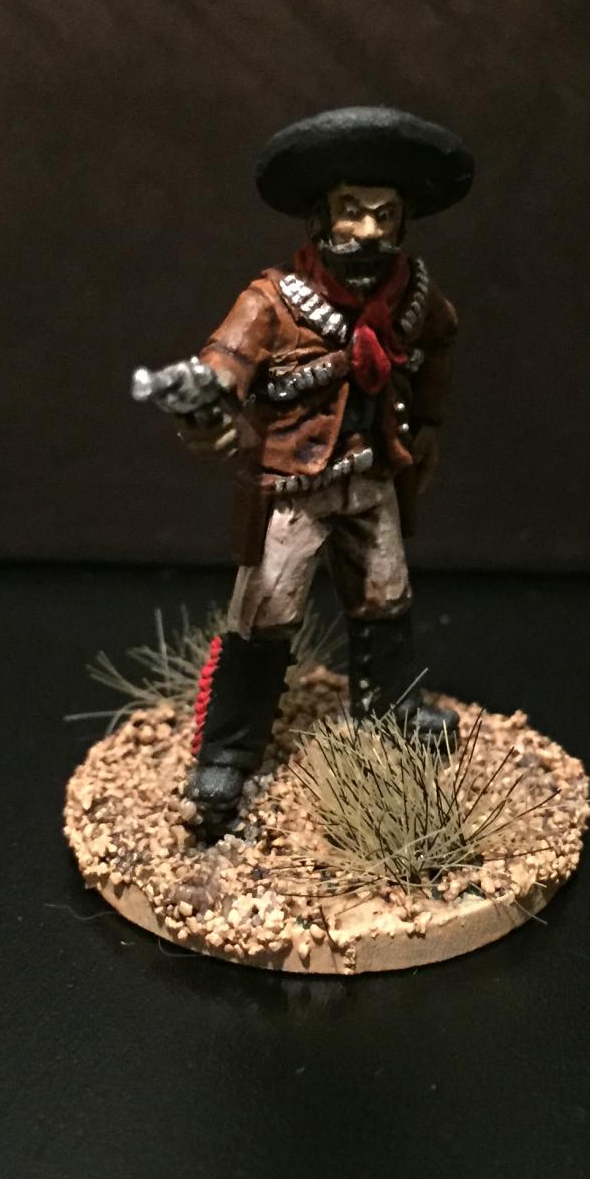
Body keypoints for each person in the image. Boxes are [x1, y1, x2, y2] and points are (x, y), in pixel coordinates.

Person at [135, 106, 471, 840]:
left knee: (386, 597)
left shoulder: (413, 294)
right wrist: (206, 409)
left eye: (385, 214)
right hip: (295, 486)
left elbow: (441, 340)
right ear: (321, 216)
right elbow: (223, 366)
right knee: (265, 612)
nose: (369, 231)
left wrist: (429, 423)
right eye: (352, 211)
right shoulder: (272, 303)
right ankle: (228, 754)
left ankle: (390, 714)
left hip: (373, 474)